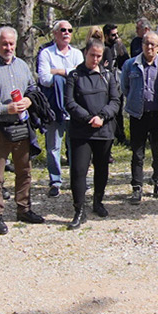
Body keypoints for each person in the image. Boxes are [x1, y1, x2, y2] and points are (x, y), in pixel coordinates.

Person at [0, 26, 47, 234]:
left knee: (24, 170)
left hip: (21, 125)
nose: (8, 47)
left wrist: (28, 100)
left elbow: (33, 88)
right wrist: (4, 108)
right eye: (4, 43)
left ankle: (23, 209)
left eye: (11, 44)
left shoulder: (23, 66)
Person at [65, 39, 122, 228]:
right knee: (79, 171)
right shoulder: (74, 76)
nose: (95, 59)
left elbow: (115, 101)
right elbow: (69, 103)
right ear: (85, 53)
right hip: (81, 131)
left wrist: (102, 117)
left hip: (104, 130)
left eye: (99, 56)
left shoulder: (108, 76)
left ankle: (98, 201)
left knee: (102, 168)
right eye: (92, 55)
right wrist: (89, 118)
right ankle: (79, 209)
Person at [121, 30, 158, 205]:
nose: (149, 47)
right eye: (146, 43)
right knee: (137, 153)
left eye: (153, 44)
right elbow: (125, 88)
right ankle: (137, 188)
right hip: (138, 115)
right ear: (142, 45)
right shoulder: (131, 65)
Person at [36, 20, 83, 198]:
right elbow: (45, 79)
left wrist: (58, 71)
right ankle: (55, 181)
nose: (66, 33)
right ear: (55, 33)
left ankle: (76, 180)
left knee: (75, 146)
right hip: (52, 107)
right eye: (63, 30)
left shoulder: (77, 54)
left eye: (70, 30)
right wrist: (68, 72)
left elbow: (79, 77)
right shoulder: (46, 53)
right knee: (53, 146)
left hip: (74, 107)